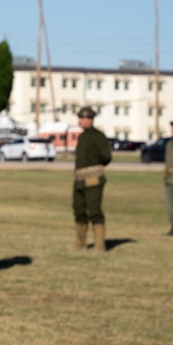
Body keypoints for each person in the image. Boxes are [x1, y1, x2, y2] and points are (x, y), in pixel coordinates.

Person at [72, 106, 112, 252]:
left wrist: (95, 166)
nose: (80, 121)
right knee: (79, 210)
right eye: (80, 118)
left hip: (93, 179)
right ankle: (80, 243)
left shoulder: (98, 136)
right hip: (79, 179)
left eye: (83, 118)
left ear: (90, 119)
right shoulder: (82, 137)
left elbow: (106, 156)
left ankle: (99, 245)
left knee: (94, 210)